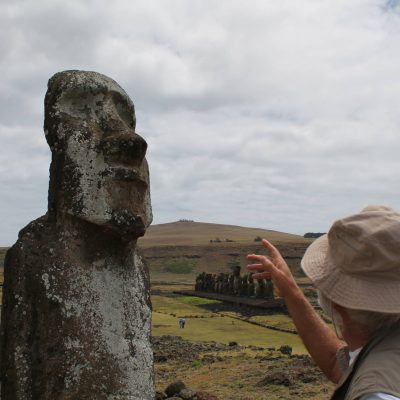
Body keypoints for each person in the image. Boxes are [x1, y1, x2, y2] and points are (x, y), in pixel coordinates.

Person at [247, 206, 400, 400]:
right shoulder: (385, 345)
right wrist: (291, 292)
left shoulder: (375, 394)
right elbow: (338, 367)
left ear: (337, 305)